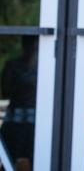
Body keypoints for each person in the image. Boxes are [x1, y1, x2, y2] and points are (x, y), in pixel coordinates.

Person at [0, 36, 37, 171]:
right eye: (31, 46)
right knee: (7, 158)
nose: (33, 50)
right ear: (24, 46)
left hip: (35, 121)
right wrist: (24, 82)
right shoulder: (13, 65)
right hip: (15, 120)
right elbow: (5, 91)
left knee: (37, 158)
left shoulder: (45, 68)